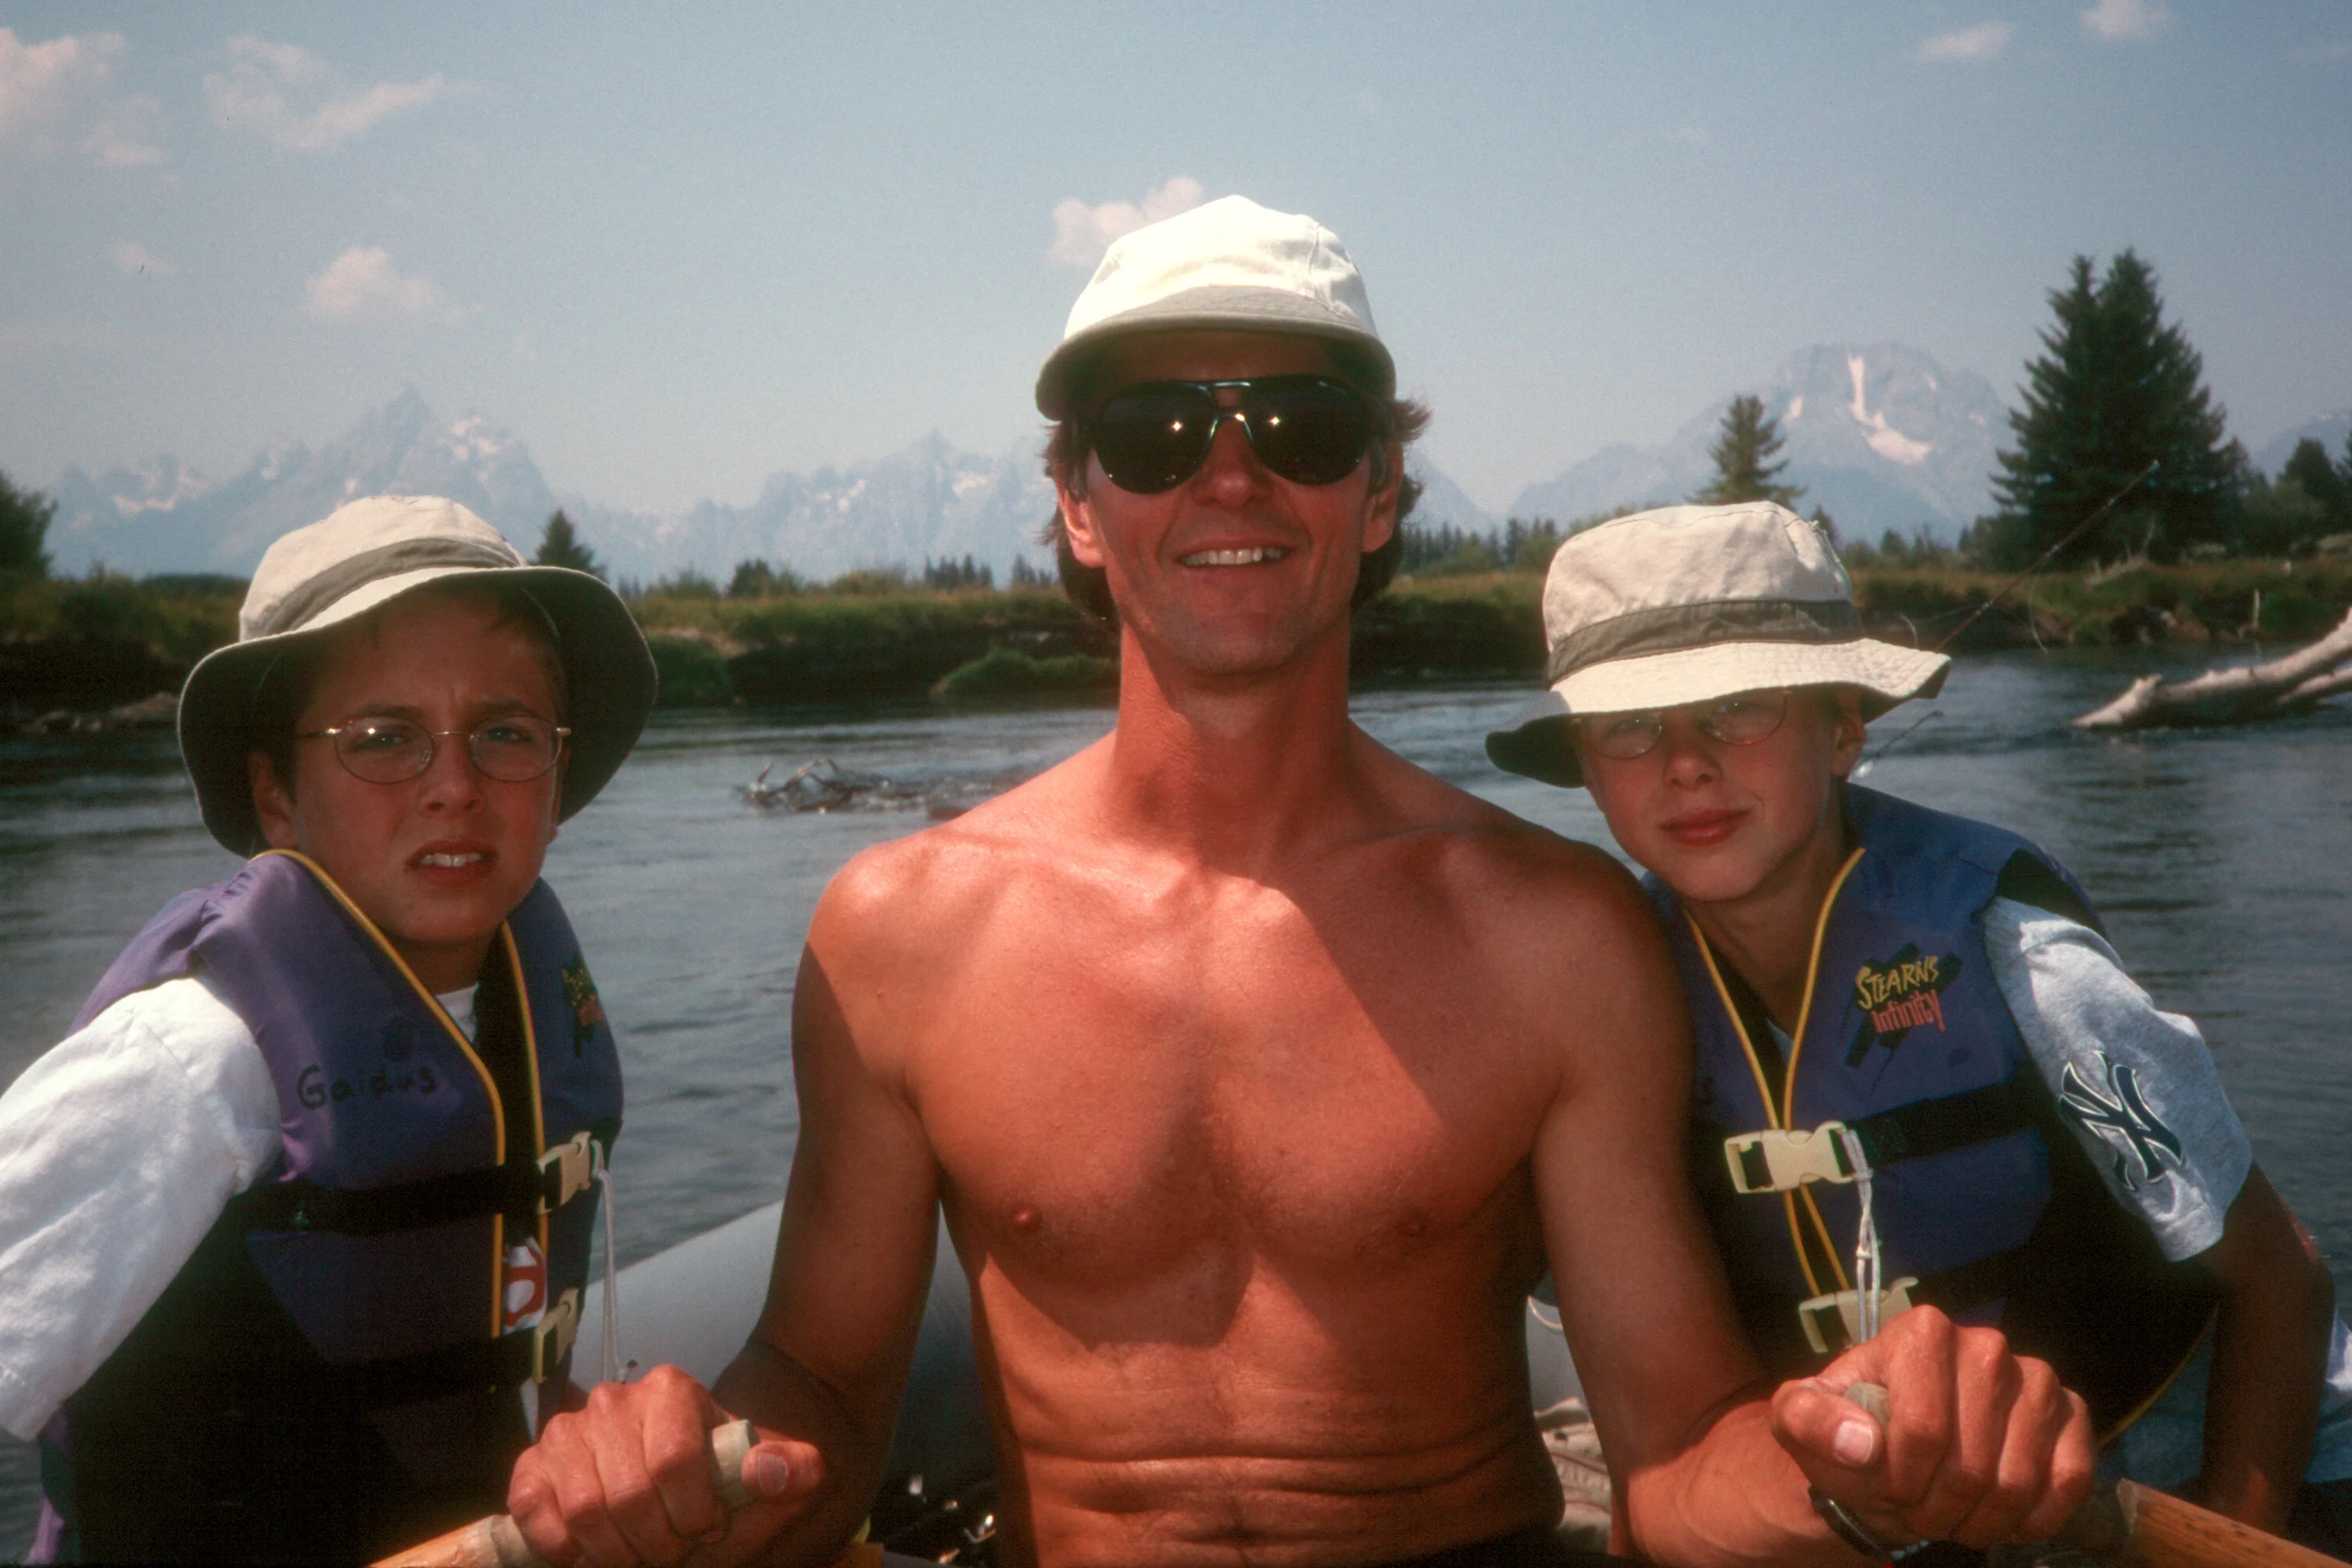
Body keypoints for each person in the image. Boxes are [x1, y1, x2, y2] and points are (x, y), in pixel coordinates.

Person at [506, 198, 2093, 1568]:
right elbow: (829, 1395)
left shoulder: (1555, 934)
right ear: (1077, 504)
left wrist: (1876, 1464)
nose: (1234, 475)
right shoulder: (897, 937)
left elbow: (1676, 1466)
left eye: (1304, 426)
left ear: (1381, 494)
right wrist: (666, 1459)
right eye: (1154, 432)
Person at [1485, 500, 2352, 1557]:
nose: (1686, 765)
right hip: (1907, 1514)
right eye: (1632, 727)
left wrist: (2235, 1523)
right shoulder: (1615, 988)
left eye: (1741, 709)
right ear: (1586, 766)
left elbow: (2284, 1279)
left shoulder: (2017, 956)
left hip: (2200, 1470)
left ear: (1844, 727)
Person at [0, 495, 658, 1563]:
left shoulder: (517, 1028)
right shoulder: (191, 1065)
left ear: (556, 773)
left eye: (505, 732)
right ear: (275, 797)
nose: (455, 787)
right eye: (383, 739)